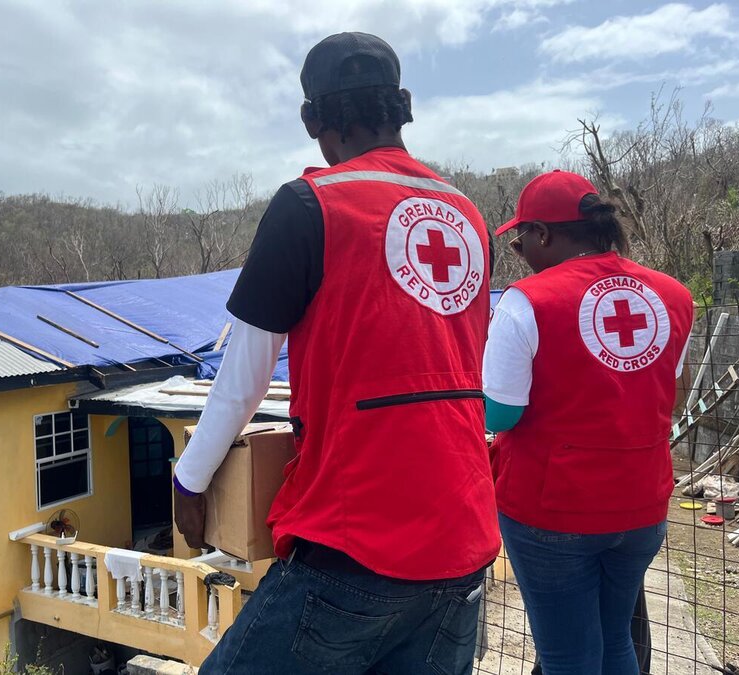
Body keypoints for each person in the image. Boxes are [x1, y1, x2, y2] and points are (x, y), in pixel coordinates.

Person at [173, 32, 500, 674]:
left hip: (357, 539)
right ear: (401, 105)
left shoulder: (310, 205)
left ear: (312, 120)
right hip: (463, 537)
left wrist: (189, 478)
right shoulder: (467, 214)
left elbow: (244, 374)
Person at [484, 170, 693, 675]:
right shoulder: (674, 295)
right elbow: (670, 392)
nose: (519, 249)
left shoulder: (527, 300)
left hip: (553, 508)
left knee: (567, 655)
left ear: (544, 234)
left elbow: (499, 412)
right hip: (642, 504)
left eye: (520, 238)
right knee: (616, 637)